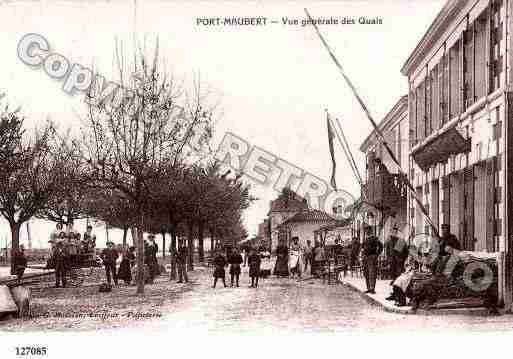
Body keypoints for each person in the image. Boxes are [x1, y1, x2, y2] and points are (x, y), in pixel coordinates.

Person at [362, 226, 383, 294]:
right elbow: (363, 247)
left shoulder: (374, 238)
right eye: (366, 231)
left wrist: (376, 254)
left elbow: (381, 246)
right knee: (366, 273)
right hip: (365, 258)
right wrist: (363, 254)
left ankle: (372, 288)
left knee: (372, 273)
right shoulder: (365, 239)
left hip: (372, 257)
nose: (367, 232)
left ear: (371, 231)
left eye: (368, 231)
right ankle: (368, 288)